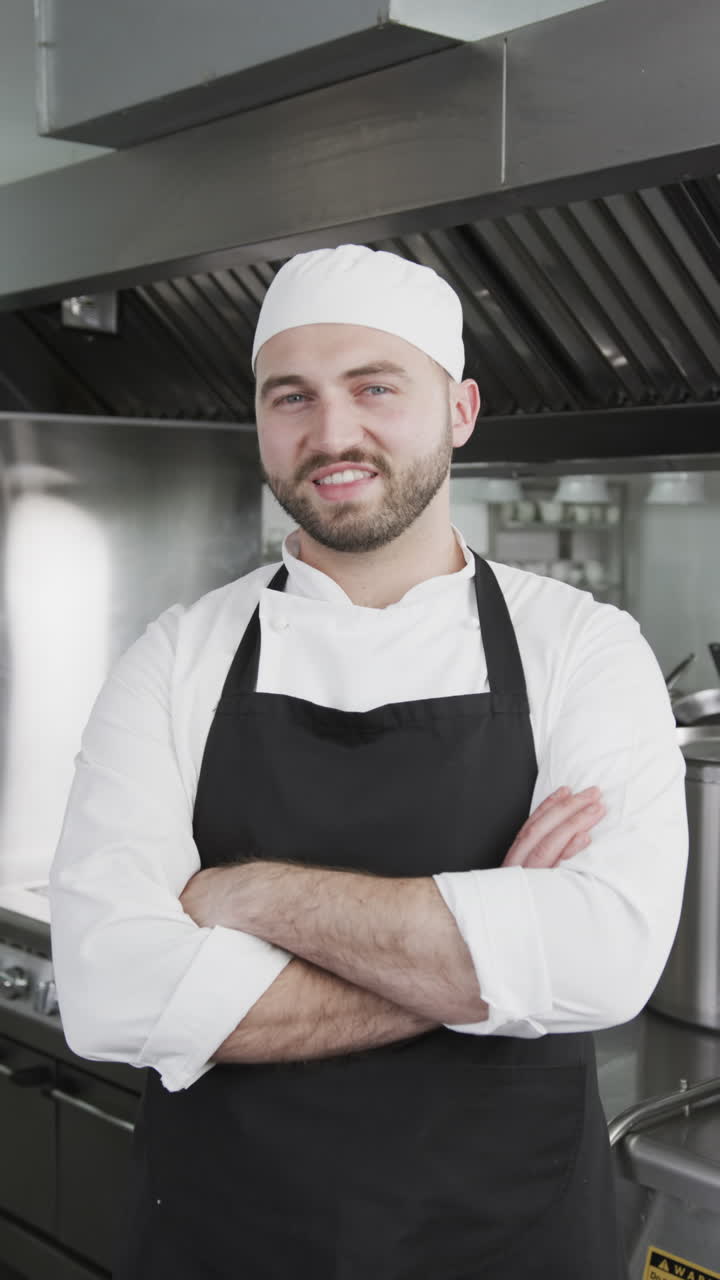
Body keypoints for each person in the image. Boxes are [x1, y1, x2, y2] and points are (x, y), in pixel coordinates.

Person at [49, 244, 688, 1279]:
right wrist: (494, 940)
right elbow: (112, 991)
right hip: (227, 1243)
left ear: (462, 409)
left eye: (375, 386)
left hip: (505, 1242)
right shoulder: (177, 657)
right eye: (291, 395)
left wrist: (249, 892)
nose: (332, 432)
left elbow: (605, 957)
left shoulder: (582, 645)